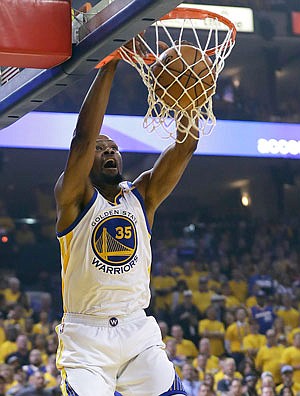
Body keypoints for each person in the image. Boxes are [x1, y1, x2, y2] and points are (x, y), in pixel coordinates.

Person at [54, 47, 199, 395]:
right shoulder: (73, 198)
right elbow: (82, 140)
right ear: (87, 162)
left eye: (114, 148)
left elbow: (185, 146)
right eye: (101, 149)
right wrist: (110, 63)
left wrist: (189, 98)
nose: (109, 152)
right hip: (86, 338)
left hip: (137, 331)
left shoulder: (142, 196)